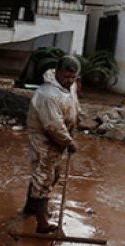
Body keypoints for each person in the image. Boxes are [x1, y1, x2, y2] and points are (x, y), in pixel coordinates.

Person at [23, 55, 82, 233]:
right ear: (57, 72)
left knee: (52, 174)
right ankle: (42, 224)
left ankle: (31, 206)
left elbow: (73, 105)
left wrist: (76, 123)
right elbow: (53, 125)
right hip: (44, 138)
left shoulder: (69, 86)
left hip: (59, 138)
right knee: (44, 177)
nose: (69, 81)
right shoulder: (47, 94)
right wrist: (69, 142)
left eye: (73, 77)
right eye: (66, 77)